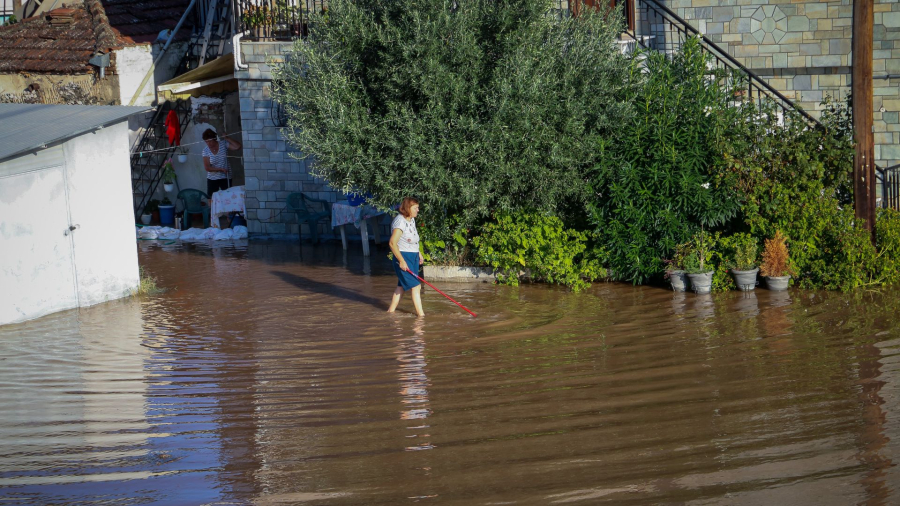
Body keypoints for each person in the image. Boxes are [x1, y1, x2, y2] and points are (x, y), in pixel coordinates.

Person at [388, 197, 425, 317]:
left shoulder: (411, 219)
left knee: (401, 287)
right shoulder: (400, 222)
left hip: (413, 257)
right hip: (403, 257)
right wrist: (401, 261)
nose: (418, 210)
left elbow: (413, 239)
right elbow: (392, 243)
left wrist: (418, 252)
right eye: (415, 208)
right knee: (416, 286)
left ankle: (390, 313)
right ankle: (421, 317)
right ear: (408, 208)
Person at [201, 128, 241, 197]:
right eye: (206, 142)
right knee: (211, 198)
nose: (208, 143)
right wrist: (220, 169)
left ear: (214, 139)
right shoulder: (205, 150)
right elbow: (207, 168)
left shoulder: (223, 144)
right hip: (212, 178)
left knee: (227, 197)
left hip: (226, 176)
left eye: (210, 141)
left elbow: (238, 147)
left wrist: (227, 138)